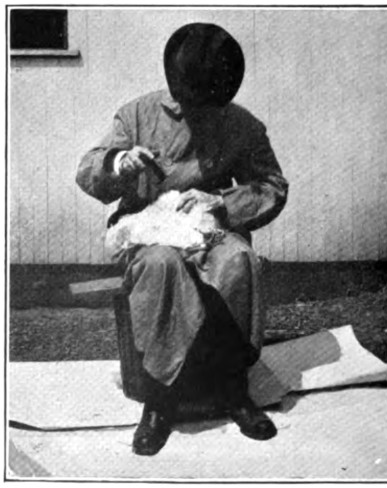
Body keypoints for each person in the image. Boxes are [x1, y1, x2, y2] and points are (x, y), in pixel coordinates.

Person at [76, 22, 289, 456]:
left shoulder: (242, 124)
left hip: (210, 227)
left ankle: (233, 388)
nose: (200, 113)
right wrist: (120, 163)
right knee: (161, 265)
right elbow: (88, 170)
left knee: (237, 261)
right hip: (149, 229)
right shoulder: (137, 114)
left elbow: (272, 186)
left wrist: (220, 201)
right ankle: (160, 399)